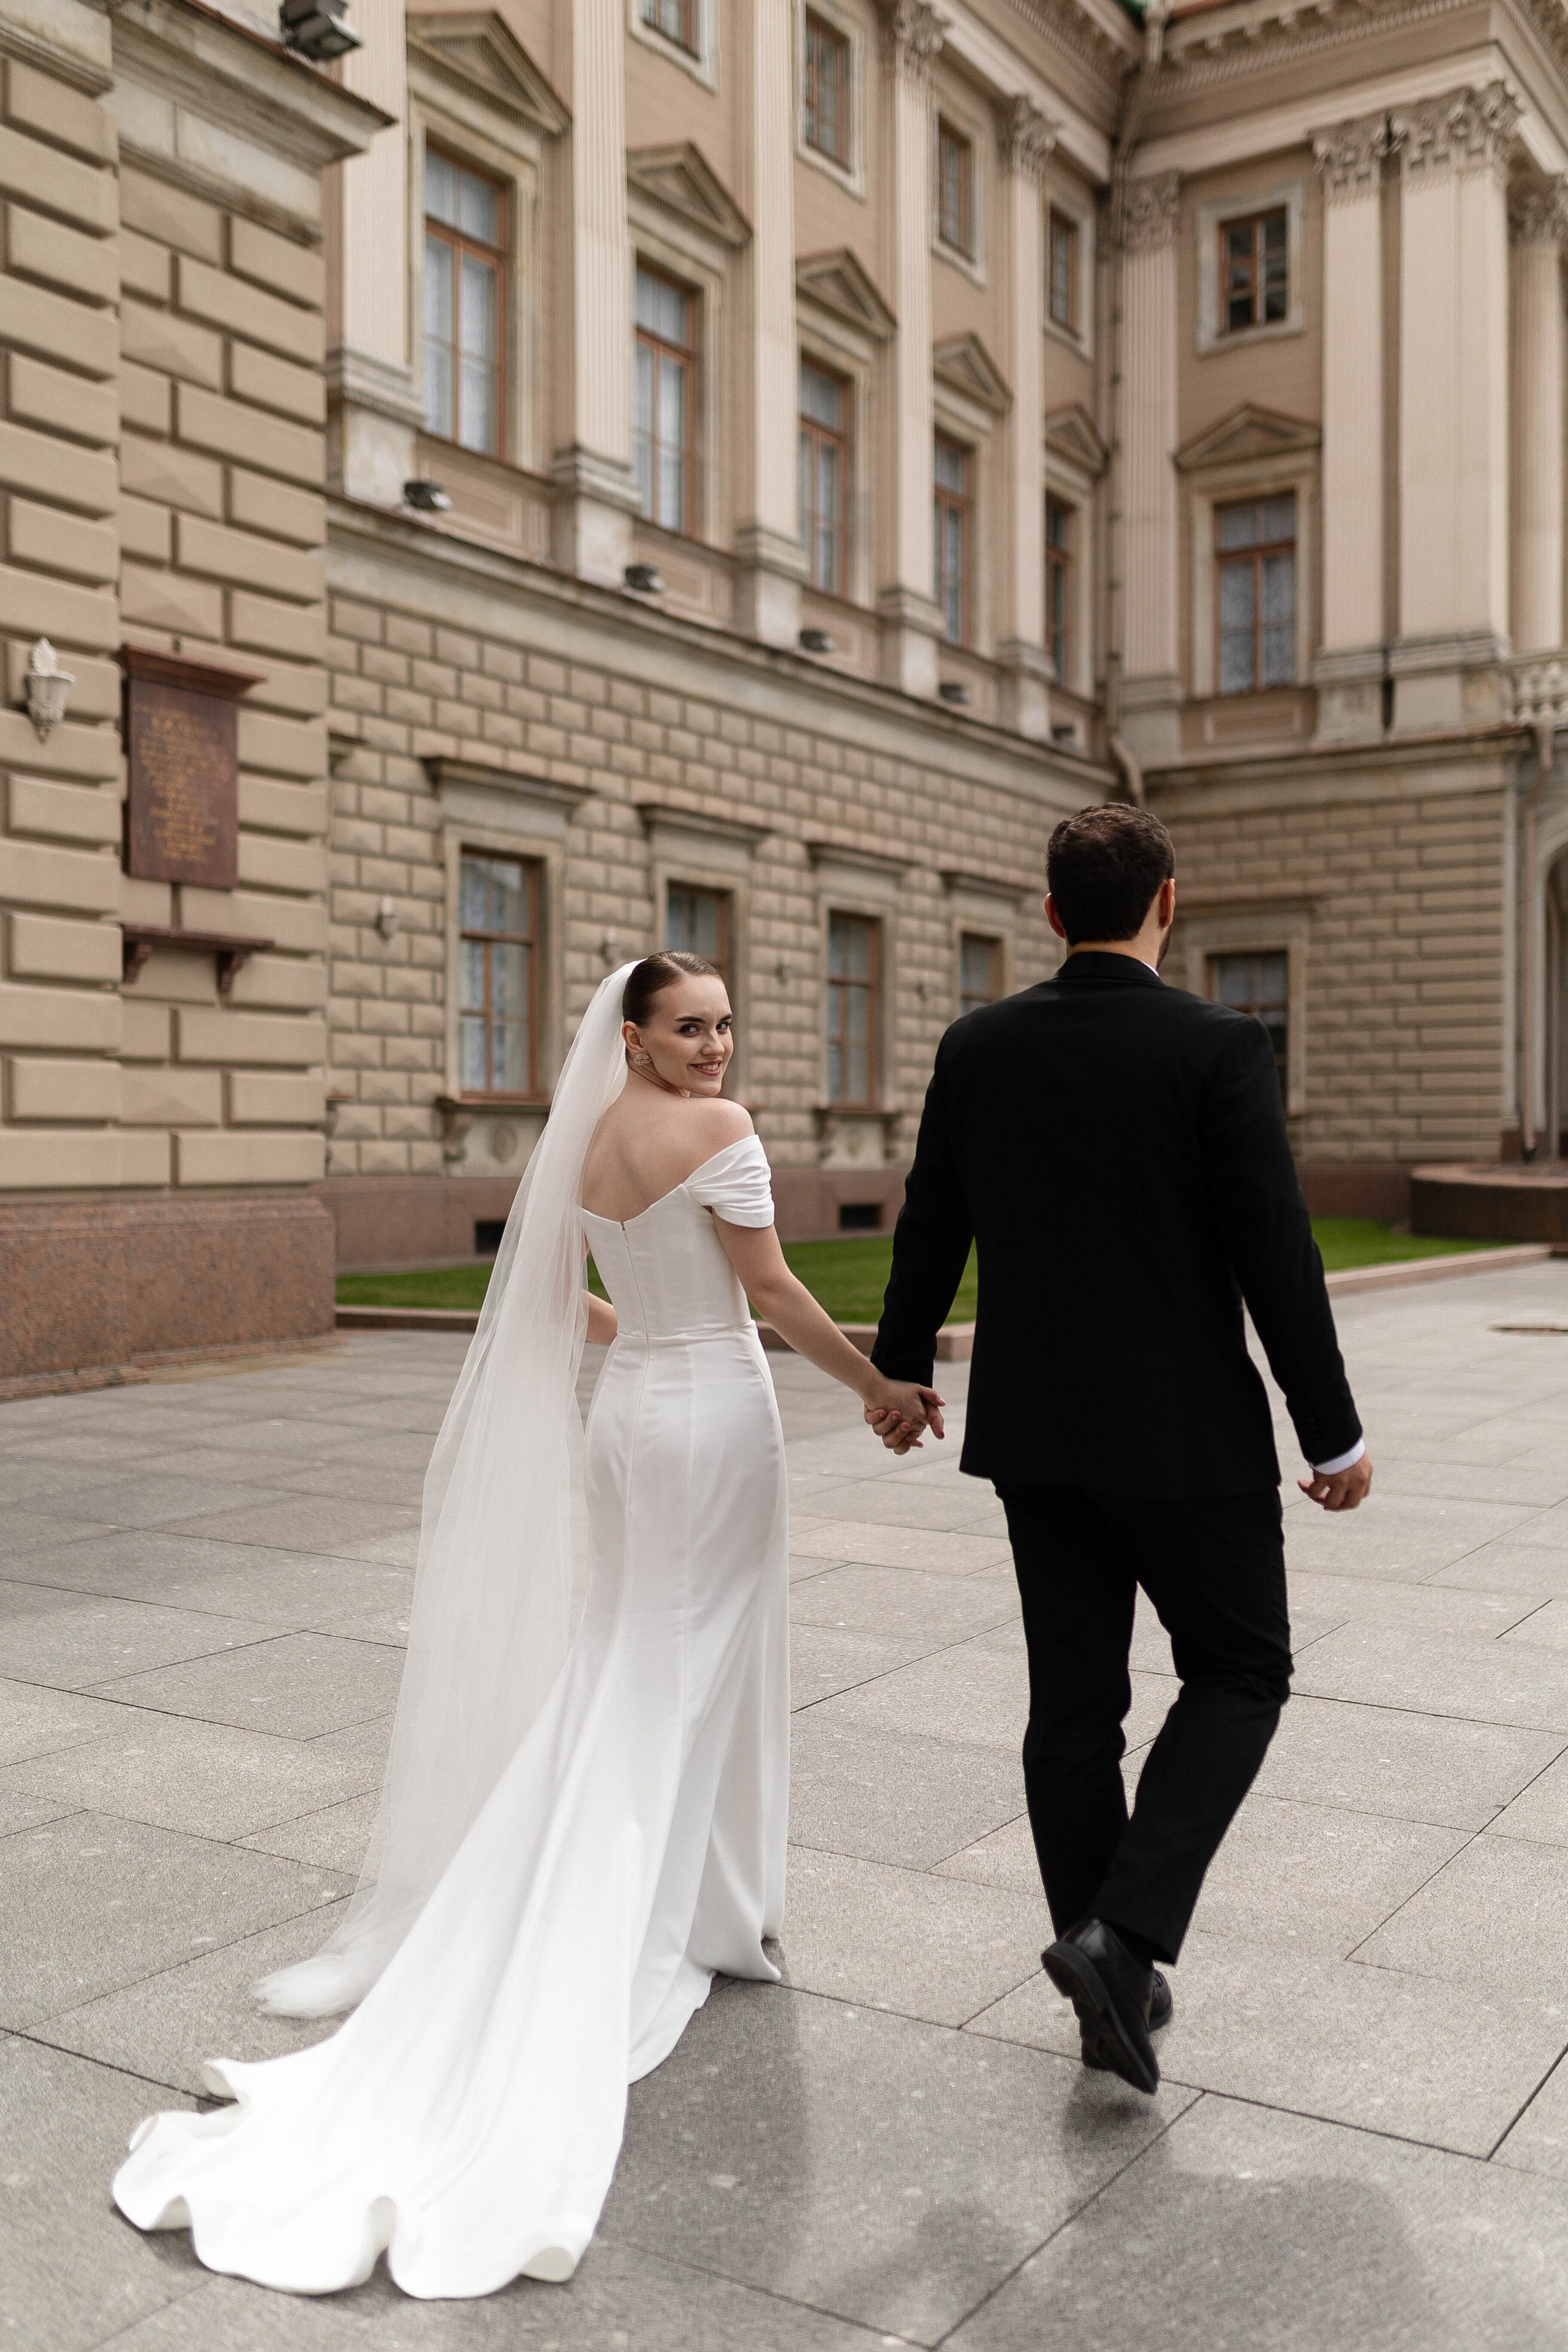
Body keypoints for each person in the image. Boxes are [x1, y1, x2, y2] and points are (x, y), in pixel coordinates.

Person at [111, 952, 941, 2297]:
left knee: (635, 1661)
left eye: (725, 1026)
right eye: (690, 1026)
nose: (716, 1047)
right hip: (712, 1422)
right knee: (673, 1676)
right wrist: (879, 1390)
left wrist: (649, 1340)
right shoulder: (714, 1134)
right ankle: (645, 1920)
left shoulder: (589, 1136)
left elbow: (556, 1301)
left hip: (629, 1419)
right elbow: (775, 1294)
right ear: (634, 1032)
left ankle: (710, 1909)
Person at [867, 804, 1371, 2097]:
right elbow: (1273, 1249)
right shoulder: (1218, 1047)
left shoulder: (977, 1044)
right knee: (1242, 1671)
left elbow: (931, 1220)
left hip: (1036, 1431)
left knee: (1073, 1708)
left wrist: (904, 1365)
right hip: (1184, 1433)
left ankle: (1112, 1978)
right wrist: (1331, 1430)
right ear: (1168, 901)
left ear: (1049, 914)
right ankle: (1121, 1937)